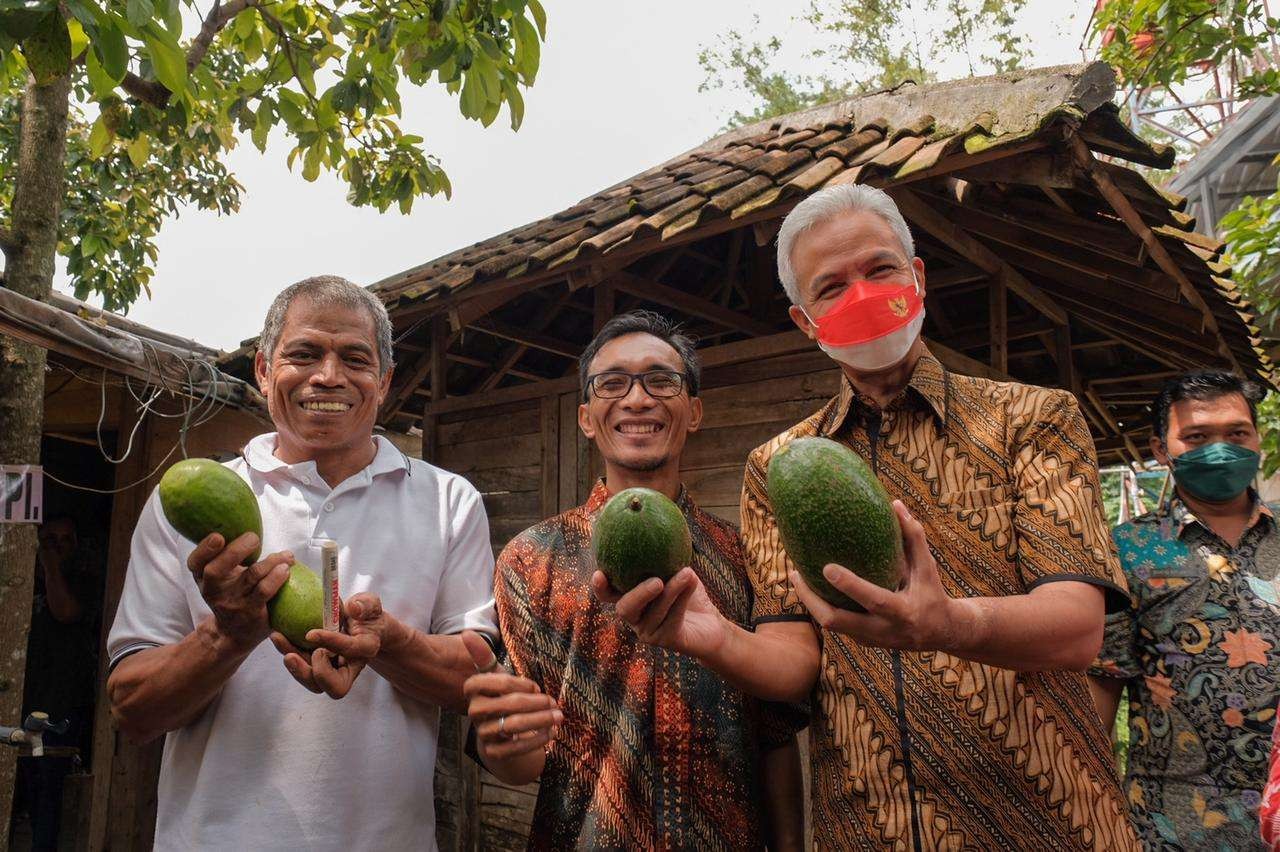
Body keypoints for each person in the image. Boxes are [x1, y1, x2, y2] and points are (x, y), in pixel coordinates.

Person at [598, 184, 1138, 849]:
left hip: (1048, 822)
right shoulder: (777, 466)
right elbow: (795, 660)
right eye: (831, 287)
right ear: (805, 320)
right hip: (866, 828)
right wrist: (714, 639)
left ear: (916, 278)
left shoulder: (1032, 420)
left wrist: (950, 623)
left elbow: (1077, 629)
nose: (861, 294)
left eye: (879, 269)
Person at [106, 275, 498, 851]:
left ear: (384, 382)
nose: (328, 376)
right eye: (304, 353)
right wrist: (228, 636)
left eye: (355, 359)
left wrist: (387, 642)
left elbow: (475, 679)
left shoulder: (448, 502)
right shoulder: (188, 507)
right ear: (264, 370)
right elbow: (131, 710)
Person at [462, 311, 807, 851]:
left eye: (661, 380)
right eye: (612, 383)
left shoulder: (745, 558)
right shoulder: (529, 559)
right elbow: (523, 753)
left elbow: (776, 738)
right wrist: (504, 745)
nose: (638, 399)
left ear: (693, 412)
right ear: (585, 417)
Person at [1089, 371, 1279, 850]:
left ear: (1257, 439)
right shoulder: (1127, 551)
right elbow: (1102, 684)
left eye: (1237, 433)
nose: (1221, 448)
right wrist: (1094, 806)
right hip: (1175, 827)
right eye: (1197, 437)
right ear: (1161, 450)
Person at [18, 514, 101, 851]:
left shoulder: (83, 582)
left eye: (65, 540)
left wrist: (50, 566)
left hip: (60, 709)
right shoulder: (20, 579)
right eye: (50, 539)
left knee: (48, 796)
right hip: (21, 701)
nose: (58, 547)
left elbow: (65, 611)